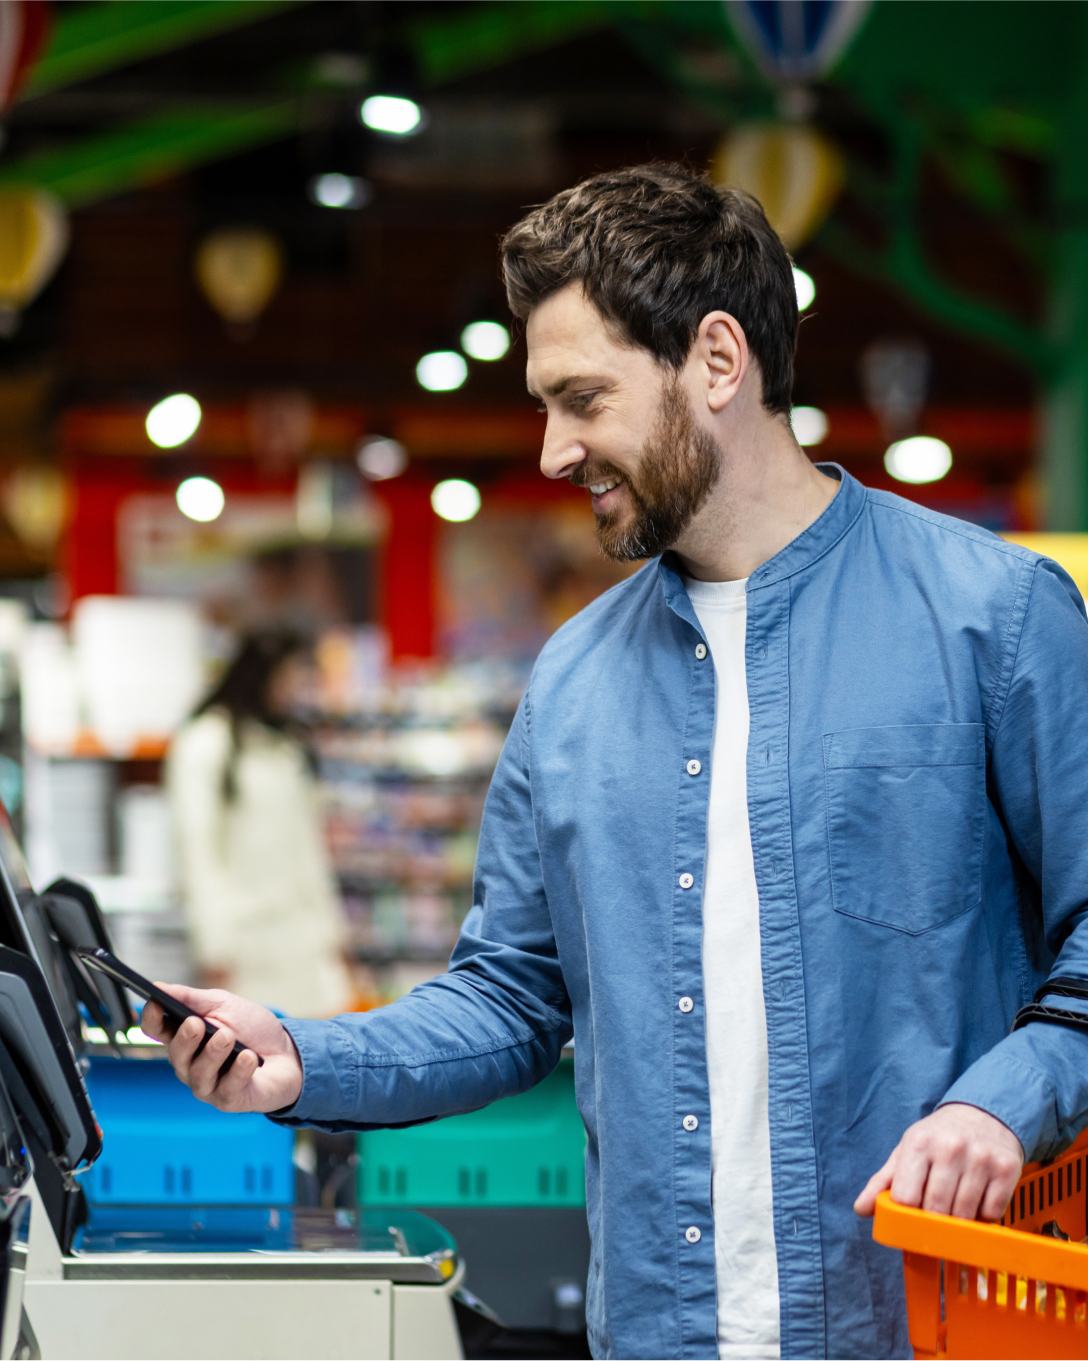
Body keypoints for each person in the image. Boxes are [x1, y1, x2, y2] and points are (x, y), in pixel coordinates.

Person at [143, 165, 1088, 1360]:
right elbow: (509, 995)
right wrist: (297, 1054)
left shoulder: (994, 618)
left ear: (714, 360)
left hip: (921, 1318)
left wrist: (998, 1098)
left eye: (580, 398)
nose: (550, 449)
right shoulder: (575, 679)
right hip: (659, 1328)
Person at [167, 630, 354, 1018]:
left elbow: (308, 850)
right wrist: (214, 945)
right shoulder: (206, 743)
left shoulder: (285, 748)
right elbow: (197, 851)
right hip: (246, 950)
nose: (294, 690)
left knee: (314, 1059)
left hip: (302, 945)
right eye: (287, 677)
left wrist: (332, 931)